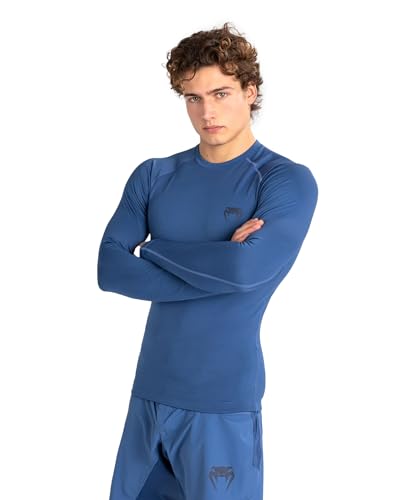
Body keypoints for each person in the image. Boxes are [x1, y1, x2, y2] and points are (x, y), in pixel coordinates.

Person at [97, 21, 318, 500]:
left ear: (250, 92)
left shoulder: (283, 181)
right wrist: (220, 261)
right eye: (193, 98)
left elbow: (245, 270)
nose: (206, 112)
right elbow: (109, 269)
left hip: (222, 404)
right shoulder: (154, 175)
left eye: (221, 94)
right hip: (148, 396)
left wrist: (153, 248)